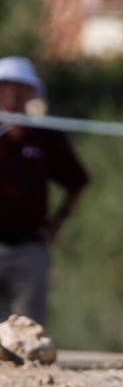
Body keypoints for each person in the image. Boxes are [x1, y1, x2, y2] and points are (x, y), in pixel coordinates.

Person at [0, 57, 89, 326]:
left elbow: (77, 181)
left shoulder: (45, 137)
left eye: (21, 87)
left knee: (28, 335)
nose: (14, 94)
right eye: (7, 86)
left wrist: (56, 225)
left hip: (29, 248)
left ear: (31, 93)